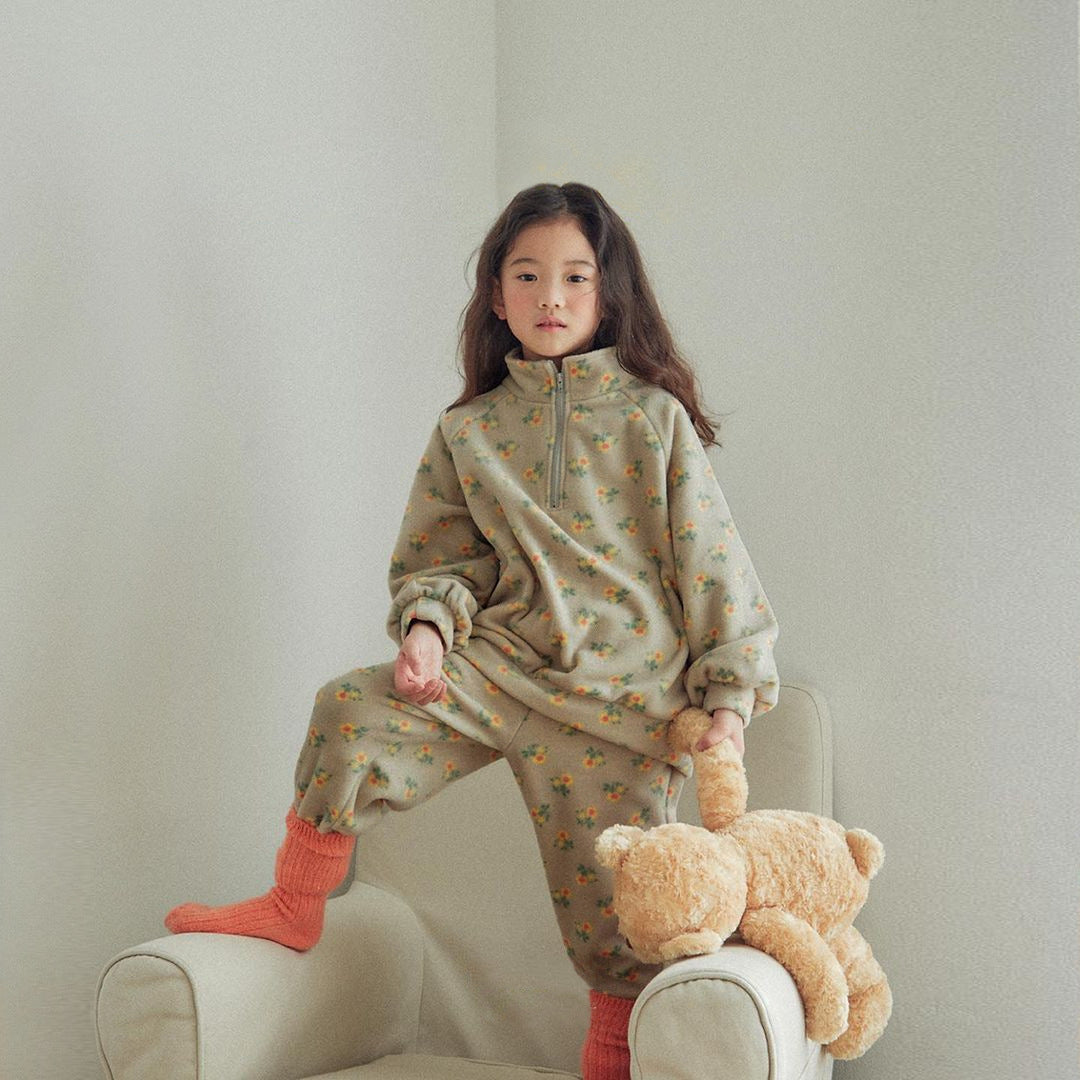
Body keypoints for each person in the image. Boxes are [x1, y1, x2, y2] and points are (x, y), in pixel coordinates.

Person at [164, 182, 779, 1080]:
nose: (550, 297)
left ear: (607, 293)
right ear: (496, 294)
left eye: (574, 277)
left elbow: (712, 560)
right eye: (526, 276)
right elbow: (444, 560)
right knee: (350, 712)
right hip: (497, 666)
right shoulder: (469, 430)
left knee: (617, 929)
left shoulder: (654, 419)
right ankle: (295, 904)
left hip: (620, 702)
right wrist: (425, 632)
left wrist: (727, 698)